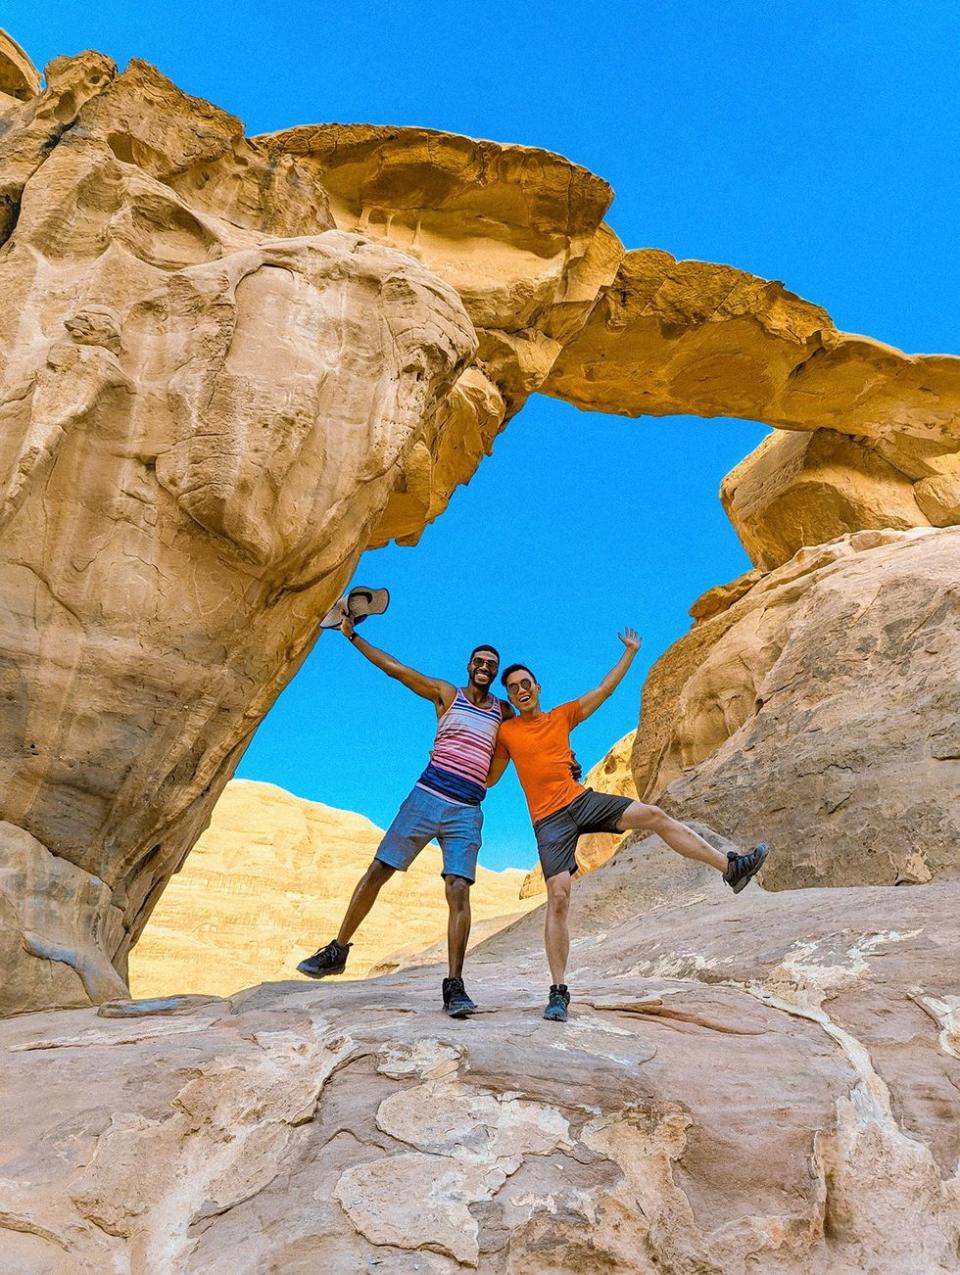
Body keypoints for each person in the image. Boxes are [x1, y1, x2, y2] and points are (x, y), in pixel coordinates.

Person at [487, 628, 769, 1023]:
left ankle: (731, 867)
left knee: (654, 815)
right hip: (549, 821)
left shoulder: (561, 715)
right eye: (513, 687)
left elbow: (603, 690)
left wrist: (631, 654)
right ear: (511, 696)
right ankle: (558, 990)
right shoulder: (507, 732)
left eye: (525, 683)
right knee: (560, 898)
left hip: (581, 801)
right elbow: (491, 777)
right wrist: (451, 762)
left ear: (537, 686)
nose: (520, 690)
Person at [296, 618, 512, 1018]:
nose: (484, 666)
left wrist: (567, 765)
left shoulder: (504, 712)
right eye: (479, 660)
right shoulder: (447, 695)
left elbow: (533, 740)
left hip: (467, 809)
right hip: (426, 797)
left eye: (491, 663)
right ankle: (337, 950)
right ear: (469, 665)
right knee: (379, 869)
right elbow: (395, 670)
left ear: (495, 672)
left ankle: (455, 987)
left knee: (458, 890)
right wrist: (352, 634)